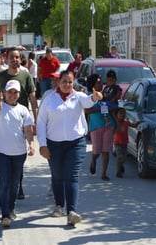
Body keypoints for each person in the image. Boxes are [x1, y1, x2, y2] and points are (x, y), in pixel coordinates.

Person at [36, 70, 103, 226]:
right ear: (58, 82)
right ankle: (59, 205)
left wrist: (95, 97)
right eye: (64, 81)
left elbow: (88, 101)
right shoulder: (49, 99)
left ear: (74, 83)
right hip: (54, 144)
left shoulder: (78, 97)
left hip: (75, 143)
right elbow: (40, 122)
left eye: (70, 82)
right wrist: (42, 145)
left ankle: (72, 211)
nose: (67, 85)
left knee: (71, 176)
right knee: (57, 175)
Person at [0, 47, 38, 200]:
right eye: (12, 57)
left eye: (17, 57)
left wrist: (36, 120)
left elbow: (33, 99)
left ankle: (18, 185)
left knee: (19, 153)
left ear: (21, 59)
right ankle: (10, 187)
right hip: (3, 116)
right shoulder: (0, 76)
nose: (14, 60)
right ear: (7, 59)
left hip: (21, 118)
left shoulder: (26, 75)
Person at [0, 80, 35, 227]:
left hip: (18, 153)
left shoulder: (23, 110)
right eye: (9, 91)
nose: (12, 95)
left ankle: (10, 208)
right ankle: (4, 213)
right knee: (4, 182)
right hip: (1, 152)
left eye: (15, 92)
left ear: (19, 94)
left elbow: (28, 129)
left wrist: (31, 144)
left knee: (14, 183)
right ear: (4, 93)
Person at [84, 74, 115, 181]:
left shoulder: (106, 94)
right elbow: (86, 111)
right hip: (96, 126)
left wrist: (110, 107)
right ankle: (93, 161)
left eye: (101, 82)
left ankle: (104, 173)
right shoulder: (89, 97)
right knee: (97, 150)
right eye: (97, 82)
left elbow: (113, 105)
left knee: (106, 150)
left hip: (108, 124)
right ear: (92, 84)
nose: (100, 84)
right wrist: (98, 109)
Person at [113, 107, 140, 178]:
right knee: (119, 157)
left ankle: (121, 165)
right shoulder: (115, 123)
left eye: (124, 113)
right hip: (117, 143)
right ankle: (118, 172)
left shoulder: (126, 123)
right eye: (120, 113)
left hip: (124, 143)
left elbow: (134, 125)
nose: (123, 115)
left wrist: (138, 123)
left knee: (124, 157)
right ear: (116, 115)